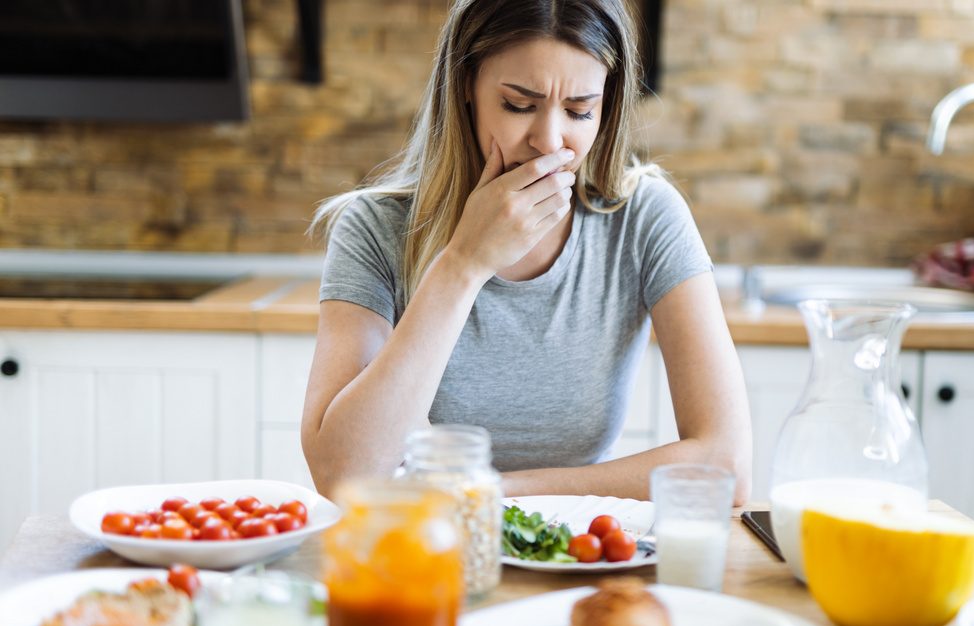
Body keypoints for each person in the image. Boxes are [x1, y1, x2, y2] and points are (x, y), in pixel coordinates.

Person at [300, 0, 751, 504]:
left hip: (579, 554)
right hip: (424, 558)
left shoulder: (644, 217)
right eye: (519, 105)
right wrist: (464, 264)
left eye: (581, 110)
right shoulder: (373, 229)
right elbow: (342, 475)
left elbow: (726, 464)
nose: (550, 141)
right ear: (466, 88)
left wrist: (490, 493)